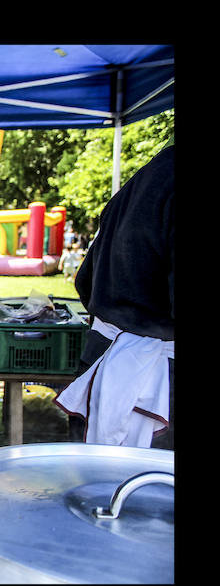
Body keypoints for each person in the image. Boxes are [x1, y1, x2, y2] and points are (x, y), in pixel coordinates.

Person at [55, 144, 174, 449]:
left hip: (102, 354)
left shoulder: (144, 178)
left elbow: (85, 280)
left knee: (91, 488)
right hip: (154, 376)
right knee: (151, 493)